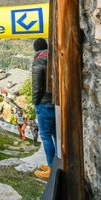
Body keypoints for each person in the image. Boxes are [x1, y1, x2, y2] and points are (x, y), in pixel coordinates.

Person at [31, 38, 57, 181]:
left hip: (44, 103)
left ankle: (51, 168)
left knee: (46, 135)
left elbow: (37, 86)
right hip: (56, 102)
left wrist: (35, 102)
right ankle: (57, 165)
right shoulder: (54, 58)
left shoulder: (38, 62)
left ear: (35, 50)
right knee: (55, 135)